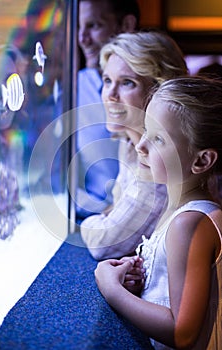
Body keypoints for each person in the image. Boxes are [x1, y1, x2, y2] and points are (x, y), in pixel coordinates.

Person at [94, 76, 222, 349]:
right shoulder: (177, 213)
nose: (140, 146)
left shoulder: (189, 224)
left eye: (158, 138)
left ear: (201, 160)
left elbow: (182, 333)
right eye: (145, 130)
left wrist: (111, 288)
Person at [80, 30, 188, 260]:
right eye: (107, 80)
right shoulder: (129, 142)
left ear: (160, 90)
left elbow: (105, 244)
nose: (110, 94)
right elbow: (116, 209)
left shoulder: (159, 165)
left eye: (127, 83)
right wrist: (108, 216)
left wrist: (89, 223)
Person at [75, 0, 140, 222]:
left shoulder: (162, 93)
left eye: (93, 25)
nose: (82, 39)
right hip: (92, 221)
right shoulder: (69, 91)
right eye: (78, 27)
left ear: (126, 25)